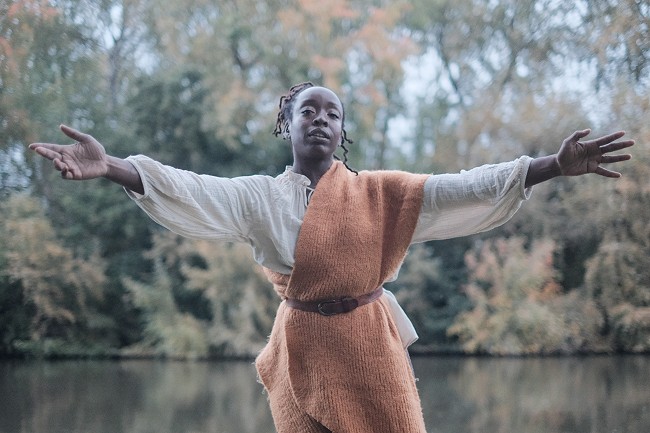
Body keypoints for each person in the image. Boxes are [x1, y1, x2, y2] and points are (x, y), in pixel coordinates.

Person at [29, 82, 634, 433]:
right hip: (300, 352)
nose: (320, 119)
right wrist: (110, 167)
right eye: (307, 111)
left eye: (332, 113)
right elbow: (193, 188)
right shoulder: (260, 198)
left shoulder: (381, 193)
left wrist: (553, 166)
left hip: (370, 348)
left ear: (342, 131)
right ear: (285, 126)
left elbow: (461, 186)